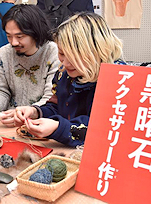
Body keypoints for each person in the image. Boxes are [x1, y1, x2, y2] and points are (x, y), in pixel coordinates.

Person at [13, 12, 124, 147]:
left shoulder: (118, 81)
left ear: (96, 52)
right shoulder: (64, 74)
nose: (65, 63)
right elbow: (56, 106)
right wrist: (36, 112)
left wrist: (58, 127)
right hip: (65, 150)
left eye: (72, 56)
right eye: (61, 54)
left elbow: (104, 130)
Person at [0, 4, 60, 125]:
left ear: (35, 32)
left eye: (20, 36)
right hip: (8, 122)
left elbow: (51, 98)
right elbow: (0, 90)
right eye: (9, 36)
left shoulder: (53, 52)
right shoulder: (4, 53)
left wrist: (28, 112)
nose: (13, 42)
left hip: (41, 123)